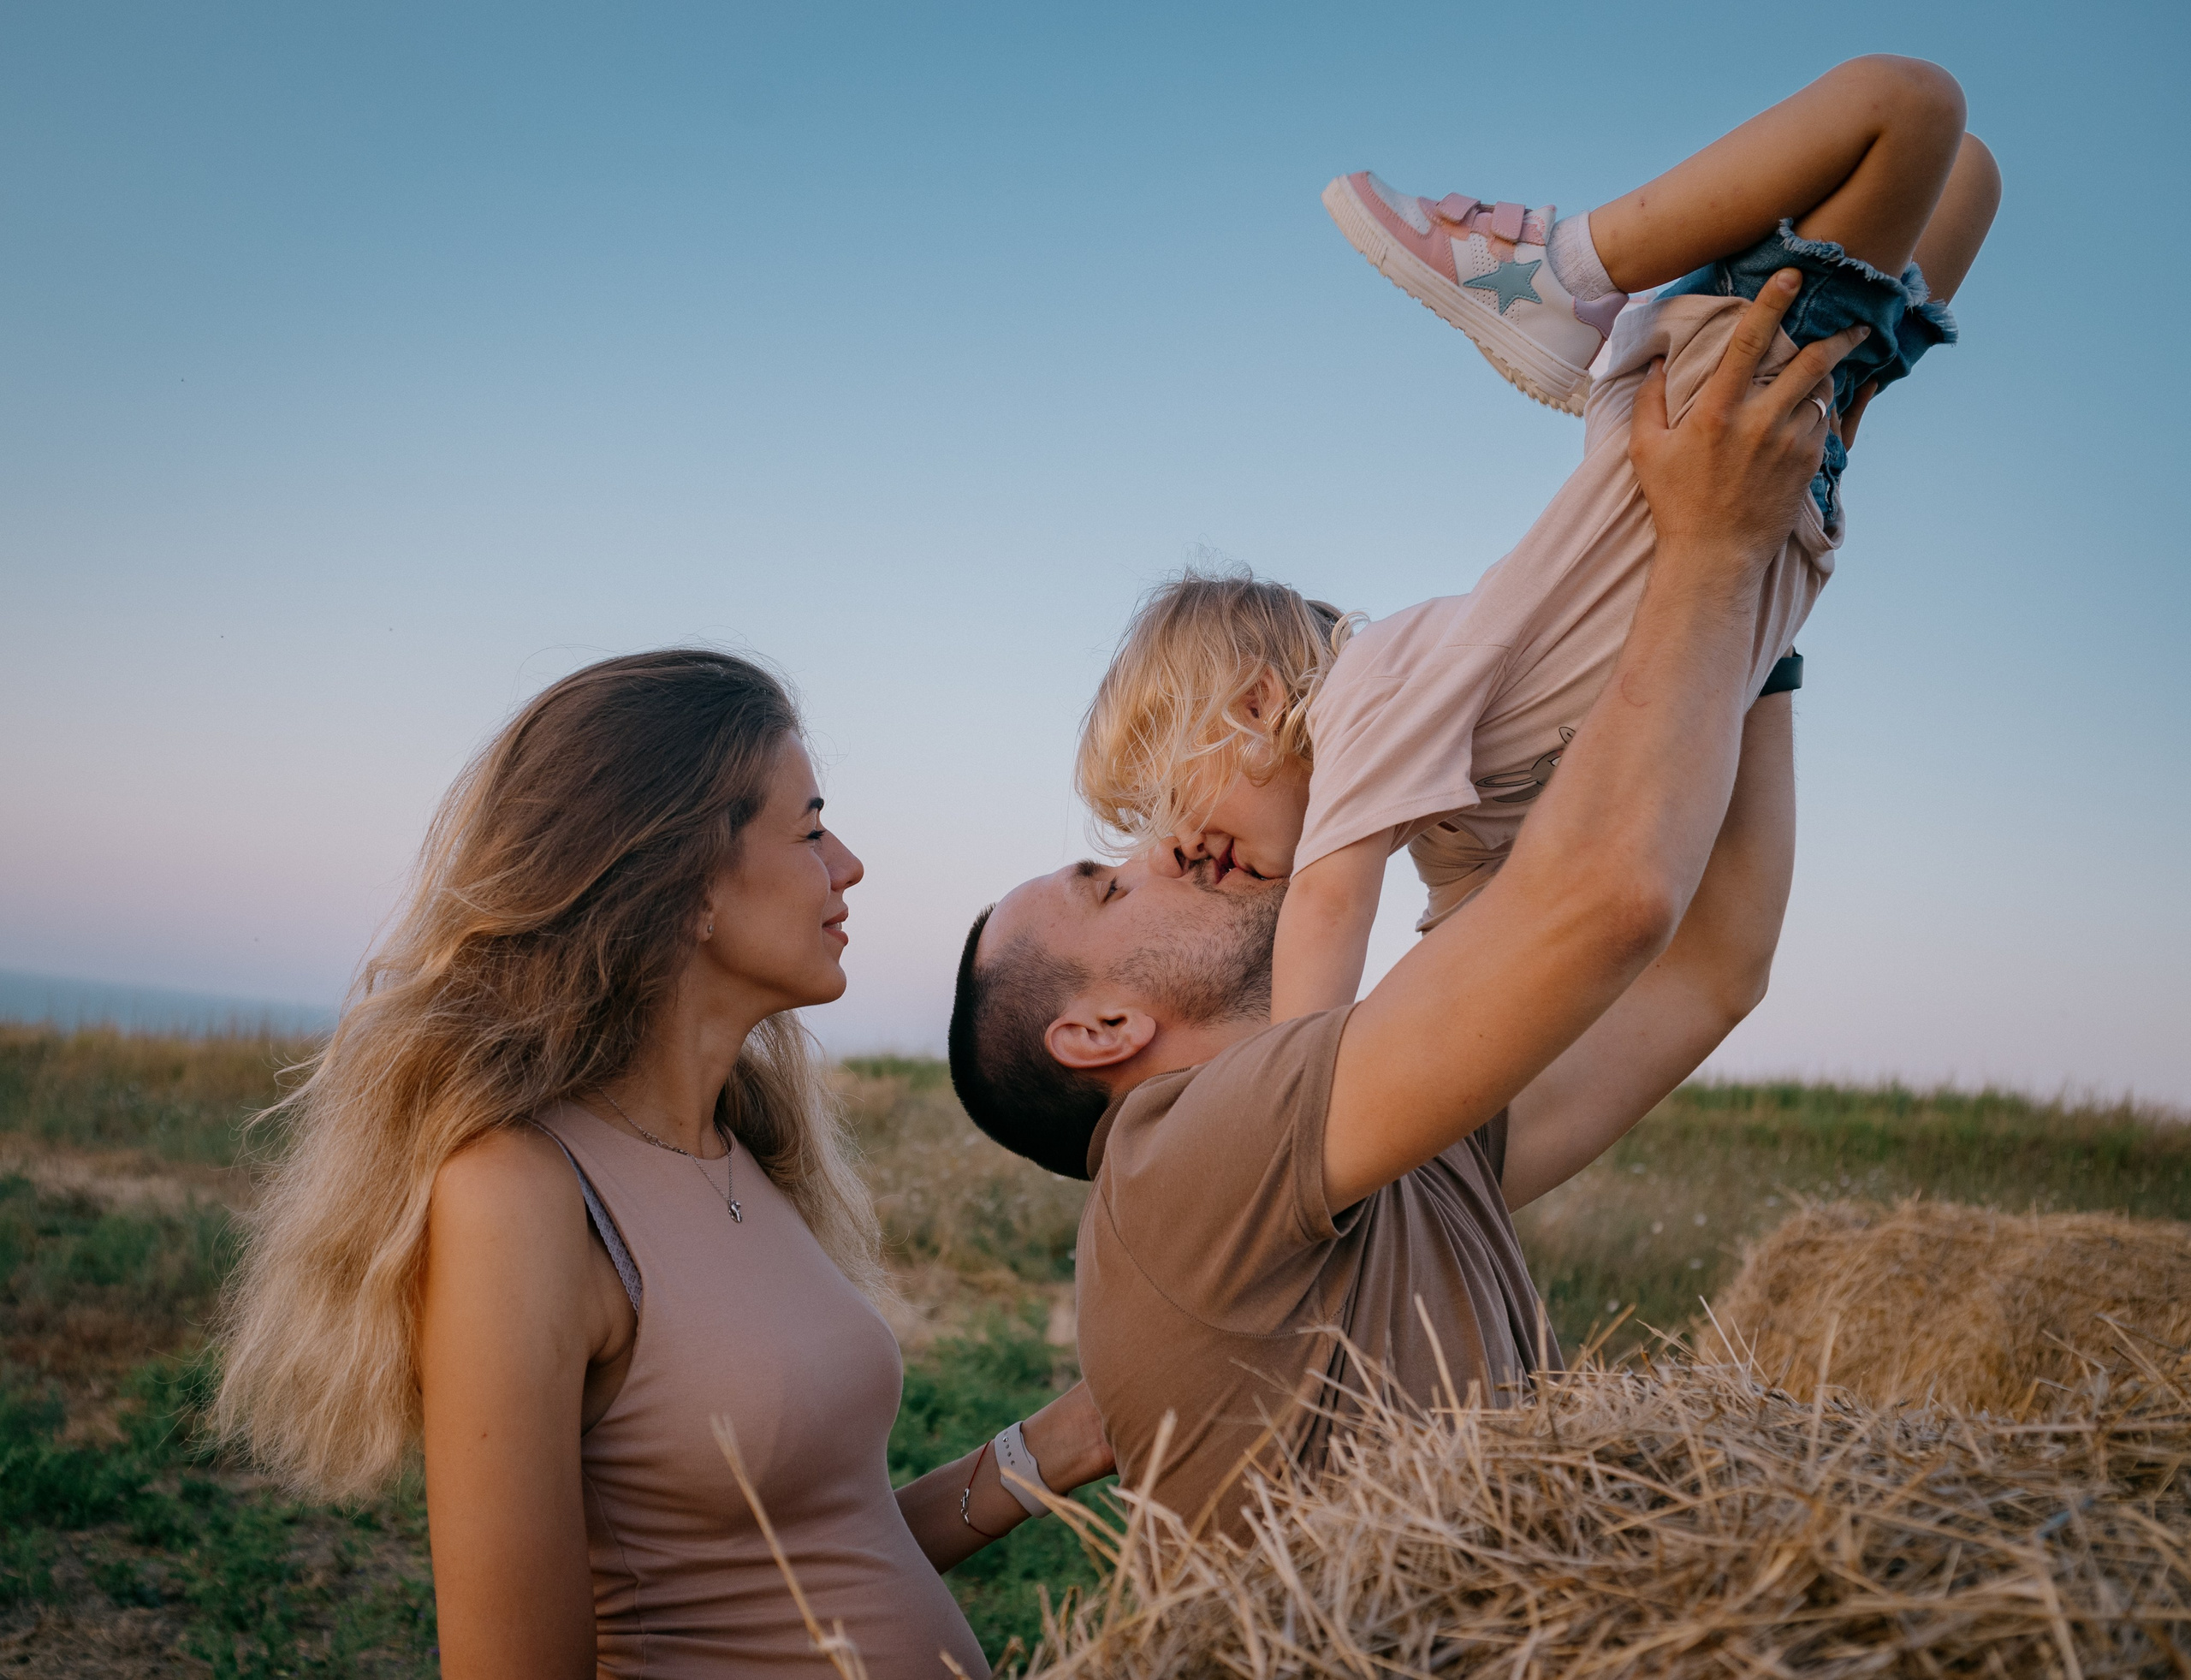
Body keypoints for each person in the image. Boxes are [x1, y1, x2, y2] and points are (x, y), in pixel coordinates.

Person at [950, 276, 1866, 1532]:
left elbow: (1714, 968)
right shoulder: (1180, 1155)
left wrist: (1766, 624)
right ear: (1101, 1032)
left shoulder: (1385, 1149)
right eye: (1106, 884)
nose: (1160, 844)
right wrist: (1711, 555)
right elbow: (1607, 900)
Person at [214, 650, 1112, 1679]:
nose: (849, 865)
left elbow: (819, 1554)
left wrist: (1066, 1438)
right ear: (683, 880)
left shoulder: (747, 1155)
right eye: (812, 828)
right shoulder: (520, 1193)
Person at [1078, 56, 1998, 1020]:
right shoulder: (1443, 818)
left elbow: (1328, 900)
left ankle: (1569, 274)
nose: (1175, 848)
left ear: (1261, 704)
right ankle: (1751, 341)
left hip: (1705, 400)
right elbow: (1486, 948)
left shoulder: (1366, 695)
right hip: (1785, 487)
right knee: (1966, 177)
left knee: (1910, 108)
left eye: (1171, 797)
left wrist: (1282, 1094)